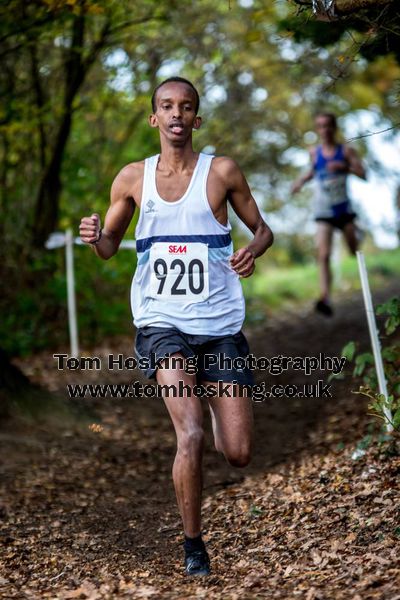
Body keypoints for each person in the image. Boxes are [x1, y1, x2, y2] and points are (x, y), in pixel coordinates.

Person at [79, 77, 273, 576]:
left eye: (186, 107)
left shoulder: (222, 172)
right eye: (166, 106)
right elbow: (108, 248)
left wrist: (252, 250)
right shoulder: (131, 178)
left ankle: (215, 404)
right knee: (188, 435)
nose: (176, 114)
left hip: (220, 326)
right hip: (161, 323)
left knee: (238, 453)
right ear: (154, 118)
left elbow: (264, 229)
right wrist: (96, 236)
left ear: (197, 118)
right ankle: (193, 546)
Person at [292, 112, 366, 316]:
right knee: (323, 254)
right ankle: (325, 297)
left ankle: (356, 233)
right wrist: (299, 182)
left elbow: (363, 174)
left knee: (353, 250)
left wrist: (346, 167)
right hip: (323, 209)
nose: (324, 130)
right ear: (317, 130)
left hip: (343, 208)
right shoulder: (314, 153)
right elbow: (312, 171)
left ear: (334, 127)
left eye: (327, 126)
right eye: (320, 126)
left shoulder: (347, 150)